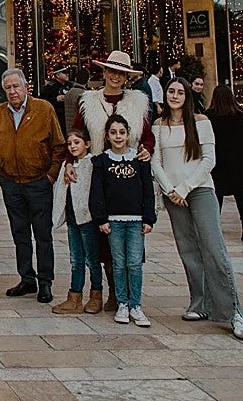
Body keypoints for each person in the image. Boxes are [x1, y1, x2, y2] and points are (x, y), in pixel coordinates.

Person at [153, 78, 243, 341]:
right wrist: (170, 190)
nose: (175, 96)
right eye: (171, 91)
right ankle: (200, 303)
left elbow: (209, 159)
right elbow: (156, 161)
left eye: (180, 92)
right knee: (188, 249)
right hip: (172, 194)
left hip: (199, 190)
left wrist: (184, 188)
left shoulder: (201, 122)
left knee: (213, 248)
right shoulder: (158, 126)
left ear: (187, 96)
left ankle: (233, 312)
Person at [73, 49, 154, 311]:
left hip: (129, 177)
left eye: (120, 72)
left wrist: (146, 150)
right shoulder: (88, 101)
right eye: (111, 71)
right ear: (104, 72)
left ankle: (131, 295)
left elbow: (148, 136)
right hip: (100, 173)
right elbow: (78, 133)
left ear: (127, 77)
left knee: (130, 239)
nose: (115, 76)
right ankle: (110, 292)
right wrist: (68, 161)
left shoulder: (138, 103)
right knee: (103, 235)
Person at [0, 68, 66, 304]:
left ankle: (45, 281)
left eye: (16, 86)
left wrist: (51, 175)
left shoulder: (44, 109)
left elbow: (58, 145)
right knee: (19, 233)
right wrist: (0, 173)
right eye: (8, 88)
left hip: (38, 182)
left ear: (26, 87)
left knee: (42, 234)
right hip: (11, 182)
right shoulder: (0, 112)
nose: (13, 92)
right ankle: (27, 278)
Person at [90, 114, 156, 328]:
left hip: (136, 220)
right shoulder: (101, 161)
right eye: (113, 132)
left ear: (128, 135)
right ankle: (122, 303)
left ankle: (136, 304)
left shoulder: (140, 160)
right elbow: (97, 193)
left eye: (122, 132)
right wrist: (101, 218)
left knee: (135, 263)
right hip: (113, 221)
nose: (118, 136)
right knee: (118, 264)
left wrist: (149, 218)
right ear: (107, 136)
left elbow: (148, 190)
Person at [50, 128, 102, 315]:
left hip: (87, 219)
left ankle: (96, 294)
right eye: (70, 143)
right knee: (75, 259)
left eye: (77, 142)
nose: (73, 146)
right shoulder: (67, 164)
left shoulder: (93, 163)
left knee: (92, 259)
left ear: (87, 144)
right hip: (72, 218)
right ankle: (75, 296)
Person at [207, 84, 243, 243]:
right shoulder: (241, 113)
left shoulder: (210, 115)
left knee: (217, 196)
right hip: (239, 160)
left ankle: (214, 229)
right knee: (241, 197)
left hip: (219, 160)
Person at [40, 66, 74, 137]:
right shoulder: (50, 87)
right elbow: (43, 102)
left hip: (69, 116)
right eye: (64, 73)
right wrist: (56, 99)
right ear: (57, 75)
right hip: (57, 117)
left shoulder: (70, 85)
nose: (67, 74)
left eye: (67, 72)